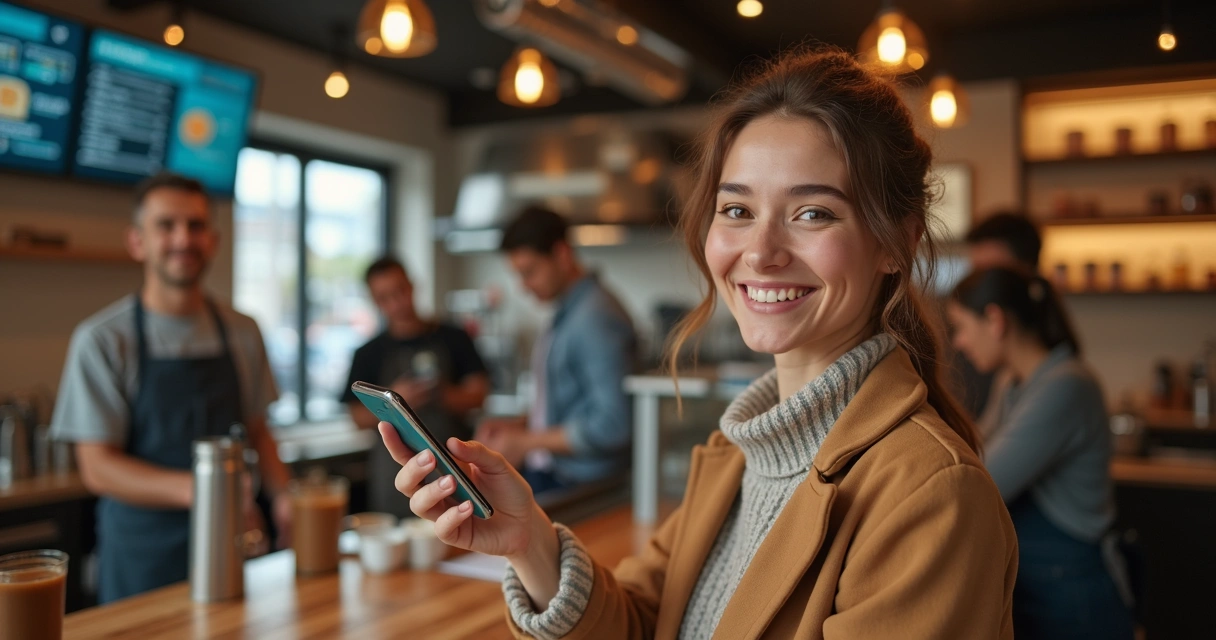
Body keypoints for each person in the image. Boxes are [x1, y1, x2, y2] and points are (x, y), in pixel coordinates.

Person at [381, 48, 1017, 638]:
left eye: (813, 212)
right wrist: (529, 542)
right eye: (737, 210)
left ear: (895, 243)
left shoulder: (932, 494)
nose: (760, 253)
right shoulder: (737, 455)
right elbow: (640, 621)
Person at [50, 173, 292, 603]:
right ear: (137, 241)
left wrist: (285, 497)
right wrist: (207, 491)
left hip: (233, 547)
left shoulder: (243, 330)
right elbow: (97, 467)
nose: (184, 239)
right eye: (166, 225)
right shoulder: (104, 340)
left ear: (213, 241)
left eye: (196, 226)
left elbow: (257, 429)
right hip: (142, 556)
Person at [948, 267, 1134, 640]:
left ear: (995, 320)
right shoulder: (1013, 381)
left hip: (1072, 590)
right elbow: (973, 446)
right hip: (1040, 580)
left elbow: (984, 480)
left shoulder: (1066, 385)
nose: (959, 343)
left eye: (962, 327)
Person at [475, 206, 636, 493]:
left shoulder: (595, 318)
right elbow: (571, 403)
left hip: (585, 486)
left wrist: (525, 442)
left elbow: (614, 425)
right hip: (563, 475)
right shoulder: (570, 311)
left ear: (562, 255)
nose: (524, 287)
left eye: (529, 272)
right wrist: (520, 425)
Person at [342, 257, 489, 517]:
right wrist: (395, 403)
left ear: (412, 286)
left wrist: (444, 395)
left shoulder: (453, 337)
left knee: (461, 528)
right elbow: (355, 416)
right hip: (394, 473)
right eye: (385, 297)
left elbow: (479, 394)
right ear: (375, 301)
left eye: (400, 291)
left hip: (454, 464)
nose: (396, 302)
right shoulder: (368, 353)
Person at [954, 212, 1044, 420]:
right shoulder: (1007, 378)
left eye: (988, 274)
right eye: (975, 271)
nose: (979, 286)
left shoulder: (1056, 381)